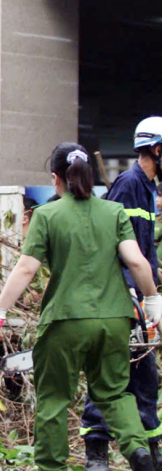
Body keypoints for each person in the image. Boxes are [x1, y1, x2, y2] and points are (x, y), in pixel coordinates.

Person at [0, 142, 162, 471]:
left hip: (65, 320)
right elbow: (137, 262)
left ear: (55, 178)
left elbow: (26, 269)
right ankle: (138, 452)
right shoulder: (113, 211)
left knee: (54, 398)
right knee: (114, 393)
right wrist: (152, 300)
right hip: (113, 320)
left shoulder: (48, 215)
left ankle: (52, 467)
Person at [79, 118, 162, 471]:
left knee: (144, 374)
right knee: (112, 370)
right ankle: (96, 451)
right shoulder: (129, 185)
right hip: (121, 296)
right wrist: (133, 292)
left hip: (139, 296)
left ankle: (149, 450)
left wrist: (154, 291)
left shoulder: (147, 188)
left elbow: (145, 250)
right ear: (157, 149)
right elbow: (117, 248)